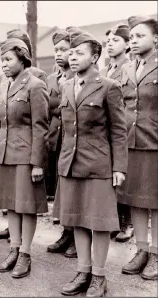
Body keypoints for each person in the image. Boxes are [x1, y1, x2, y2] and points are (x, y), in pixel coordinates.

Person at [54, 32, 127, 296]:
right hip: (71, 163)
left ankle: (99, 276)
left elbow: (119, 130)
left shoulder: (109, 86)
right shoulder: (66, 86)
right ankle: (83, 271)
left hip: (98, 164)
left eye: (79, 53)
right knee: (77, 221)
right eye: (70, 53)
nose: (72, 57)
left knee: (99, 222)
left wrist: (119, 167)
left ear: (95, 57)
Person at [0, 38, 49, 279]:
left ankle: (25, 254)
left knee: (26, 207)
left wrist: (37, 163)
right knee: (11, 205)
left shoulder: (35, 85)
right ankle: (14, 249)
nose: (3, 65)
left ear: (22, 59)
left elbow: (41, 127)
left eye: (8, 60)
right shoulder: (4, 84)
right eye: (2, 60)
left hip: (25, 155)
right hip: (4, 154)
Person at [118, 15, 158, 281]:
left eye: (140, 36)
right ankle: (142, 249)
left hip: (154, 143)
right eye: (131, 37)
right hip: (130, 144)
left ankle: (156, 253)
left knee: (156, 203)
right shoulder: (127, 69)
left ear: (156, 38)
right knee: (135, 200)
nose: (133, 41)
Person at [45, 30, 77, 259]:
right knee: (62, 188)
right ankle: (67, 232)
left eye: (64, 49)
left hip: (75, 141)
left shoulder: (78, 76)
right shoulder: (52, 78)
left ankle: (78, 237)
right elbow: (48, 107)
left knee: (75, 190)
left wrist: (56, 106)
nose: (59, 54)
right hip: (58, 140)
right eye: (56, 49)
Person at [101, 24, 134, 243]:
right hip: (107, 128)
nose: (110, 44)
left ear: (128, 44)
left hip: (127, 126)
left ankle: (128, 221)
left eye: (116, 40)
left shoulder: (130, 68)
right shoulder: (104, 71)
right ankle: (115, 218)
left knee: (126, 174)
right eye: (108, 41)